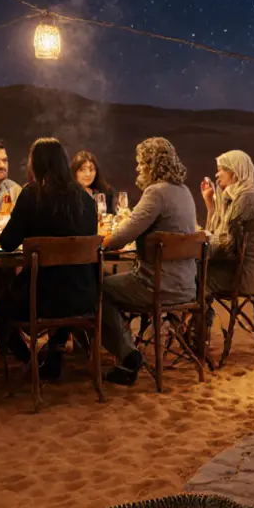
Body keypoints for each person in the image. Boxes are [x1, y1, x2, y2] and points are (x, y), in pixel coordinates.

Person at [98, 137, 202, 385]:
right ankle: (125, 351)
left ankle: (127, 354)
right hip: (187, 287)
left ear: (151, 165)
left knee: (97, 288)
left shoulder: (156, 193)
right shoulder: (184, 191)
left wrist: (99, 239)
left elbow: (121, 237)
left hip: (155, 287)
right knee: (107, 284)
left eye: (140, 163)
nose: (137, 169)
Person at [0, 137, 99, 380]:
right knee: (63, 285)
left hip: (38, 299)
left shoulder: (32, 195)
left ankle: (29, 359)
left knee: (0, 307)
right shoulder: (84, 198)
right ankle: (56, 349)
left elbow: (7, 243)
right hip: (83, 297)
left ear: (36, 164)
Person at [200, 150, 254, 298]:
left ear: (235, 172)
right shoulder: (244, 195)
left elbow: (226, 243)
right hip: (247, 272)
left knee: (194, 276)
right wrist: (211, 206)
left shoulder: (247, 198)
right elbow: (222, 236)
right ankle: (195, 319)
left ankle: (194, 319)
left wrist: (201, 245)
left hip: (246, 277)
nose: (216, 175)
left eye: (221, 170)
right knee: (197, 272)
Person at [72, 150, 115, 214]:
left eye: (91, 170)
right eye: (83, 170)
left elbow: (111, 216)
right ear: (74, 172)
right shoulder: (69, 196)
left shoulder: (105, 192)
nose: (88, 174)